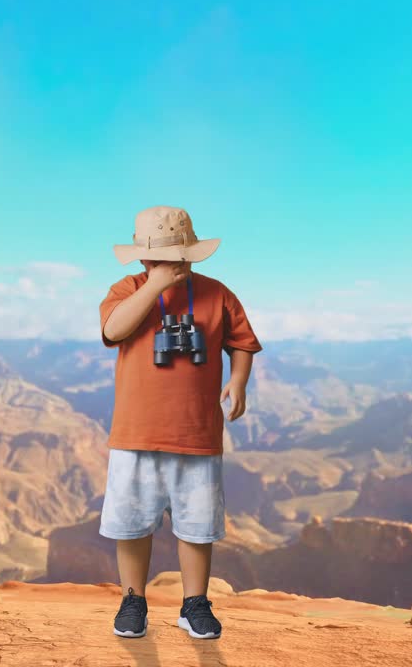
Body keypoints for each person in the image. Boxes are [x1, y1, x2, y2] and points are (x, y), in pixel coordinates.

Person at [98, 205, 262, 640]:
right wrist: (152, 288)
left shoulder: (217, 294)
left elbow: (241, 342)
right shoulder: (127, 289)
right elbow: (115, 330)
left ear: (190, 255)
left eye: (175, 258)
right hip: (136, 435)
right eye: (157, 260)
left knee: (197, 525)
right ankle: (133, 601)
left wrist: (238, 380)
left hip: (196, 434)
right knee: (132, 525)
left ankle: (195, 604)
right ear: (143, 260)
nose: (168, 266)